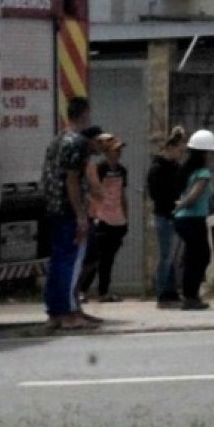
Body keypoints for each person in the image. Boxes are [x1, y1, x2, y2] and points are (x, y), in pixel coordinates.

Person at [40, 97, 99, 331]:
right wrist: (81, 215)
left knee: (58, 261)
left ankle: (55, 311)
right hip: (69, 210)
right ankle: (68, 313)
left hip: (53, 208)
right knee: (71, 262)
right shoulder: (78, 142)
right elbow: (72, 180)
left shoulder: (56, 140)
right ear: (85, 113)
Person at [76, 134, 130, 303]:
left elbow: (122, 194)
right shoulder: (99, 169)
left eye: (120, 150)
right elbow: (93, 192)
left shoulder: (122, 170)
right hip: (101, 217)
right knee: (94, 257)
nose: (118, 153)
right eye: (115, 150)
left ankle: (103, 291)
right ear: (107, 152)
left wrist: (125, 216)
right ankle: (81, 290)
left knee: (109, 258)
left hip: (117, 219)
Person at [172, 130, 214, 311]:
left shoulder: (187, 170)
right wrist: (181, 205)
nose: (212, 156)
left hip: (186, 220)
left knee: (194, 256)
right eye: (211, 152)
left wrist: (179, 207)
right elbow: (194, 196)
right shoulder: (203, 173)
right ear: (204, 153)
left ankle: (190, 294)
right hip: (193, 219)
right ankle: (190, 296)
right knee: (201, 256)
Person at [145, 126, 189, 307]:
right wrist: (172, 202)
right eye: (179, 150)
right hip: (164, 215)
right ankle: (161, 291)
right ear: (170, 148)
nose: (180, 154)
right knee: (166, 256)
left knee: (172, 256)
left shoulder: (176, 167)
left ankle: (171, 291)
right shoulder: (158, 168)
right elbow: (155, 193)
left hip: (175, 214)